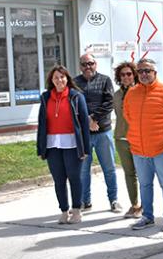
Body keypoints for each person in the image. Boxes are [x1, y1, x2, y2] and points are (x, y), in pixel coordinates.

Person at [123, 58, 163, 232]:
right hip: (139, 150)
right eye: (140, 71)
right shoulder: (131, 93)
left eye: (148, 71)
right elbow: (128, 116)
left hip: (162, 149)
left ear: (155, 72)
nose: (144, 74)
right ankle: (147, 217)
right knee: (145, 185)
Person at [36, 65, 91, 224]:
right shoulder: (45, 98)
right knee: (58, 179)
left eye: (62, 77)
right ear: (51, 80)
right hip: (52, 144)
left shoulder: (76, 97)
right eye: (56, 78)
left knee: (74, 177)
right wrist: (40, 148)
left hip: (72, 144)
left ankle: (76, 211)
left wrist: (85, 148)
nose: (59, 80)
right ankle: (64, 210)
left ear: (67, 79)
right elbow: (41, 124)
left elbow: (84, 124)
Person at [74, 53, 120, 213]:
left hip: (103, 132)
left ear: (96, 64)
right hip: (83, 135)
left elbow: (109, 103)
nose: (88, 67)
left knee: (109, 168)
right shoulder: (74, 82)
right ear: (80, 66)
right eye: (84, 64)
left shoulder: (105, 80)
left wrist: (93, 118)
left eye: (90, 63)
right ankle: (85, 201)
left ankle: (114, 200)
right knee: (83, 171)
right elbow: (73, 105)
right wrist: (86, 121)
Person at [112, 61, 142, 218]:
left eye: (129, 74)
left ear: (134, 75)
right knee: (129, 173)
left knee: (142, 174)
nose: (126, 77)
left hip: (138, 138)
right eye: (122, 75)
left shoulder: (140, 92)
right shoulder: (116, 95)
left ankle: (145, 205)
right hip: (121, 138)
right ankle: (134, 205)